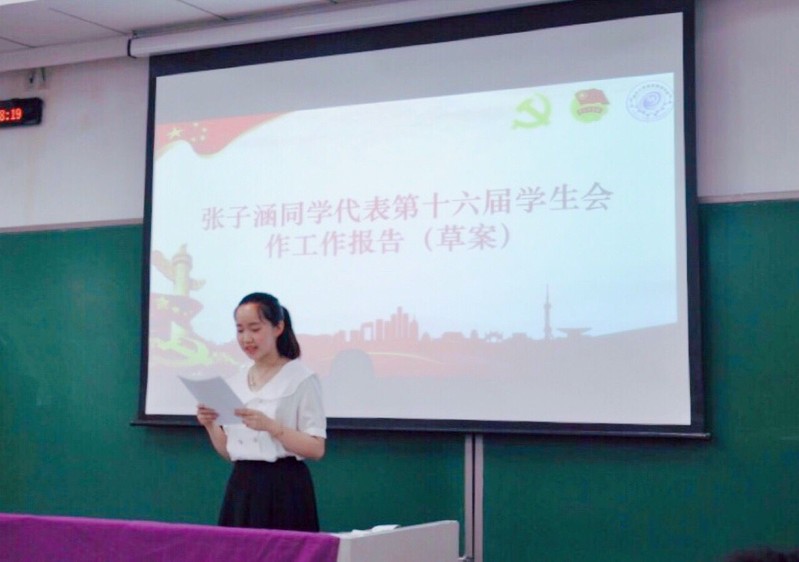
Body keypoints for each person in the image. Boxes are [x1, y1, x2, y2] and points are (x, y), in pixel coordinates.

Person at [196, 292, 326, 531]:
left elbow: (316, 448)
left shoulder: (301, 378)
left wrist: (272, 427)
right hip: (242, 485)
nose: (246, 339)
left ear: (278, 327)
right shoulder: (235, 380)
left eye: (255, 329)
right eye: (240, 330)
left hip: (285, 488)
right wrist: (210, 425)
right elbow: (230, 452)